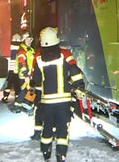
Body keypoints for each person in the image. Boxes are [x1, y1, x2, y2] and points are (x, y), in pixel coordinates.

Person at [31, 27, 85, 162]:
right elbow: (75, 72)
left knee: (47, 127)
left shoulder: (38, 58)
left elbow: (36, 79)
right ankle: (61, 155)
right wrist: (79, 88)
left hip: (47, 102)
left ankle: (46, 151)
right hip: (64, 101)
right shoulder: (65, 54)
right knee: (62, 129)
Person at [13, 32, 36, 113]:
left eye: (30, 40)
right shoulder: (22, 50)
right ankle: (24, 107)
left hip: (29, 74)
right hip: (25, 75)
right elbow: (22, 63)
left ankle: (21, 106)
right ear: (23, 40)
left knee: (28, 91)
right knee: (26, 91)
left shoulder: (30, 50)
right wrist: (26, 75)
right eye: (28, 40)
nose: (29, 41)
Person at [2, 33, 22, 103]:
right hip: (17, 70)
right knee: (17, 85)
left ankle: (5, 97)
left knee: (9, 85)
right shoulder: (21, 48)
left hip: (9, 70)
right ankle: (18, 98)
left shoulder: (8, 47)